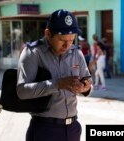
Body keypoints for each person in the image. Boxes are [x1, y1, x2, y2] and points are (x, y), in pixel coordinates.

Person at [16, 9, 93, 141]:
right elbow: (22, 91)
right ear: (48, 34)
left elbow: (88, 80)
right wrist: (57, 84)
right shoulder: (33, 53)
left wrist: (85, 87)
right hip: (45, 130)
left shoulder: (76, 53)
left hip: (73, 128)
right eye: (62, 39)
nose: (67, 45)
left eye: (71, 39)